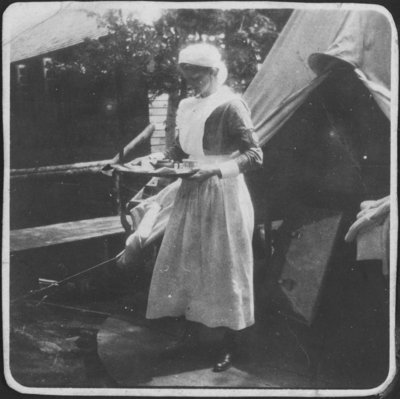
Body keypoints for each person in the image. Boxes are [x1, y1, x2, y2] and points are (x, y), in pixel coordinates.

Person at [126, 43, 263, 372]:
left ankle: (229, 346)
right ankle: (190, 337)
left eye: (197, 76)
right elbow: (181, 148)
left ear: (214, 71)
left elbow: (255, 155)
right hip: (190, 191)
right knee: (185, 262)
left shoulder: (231, 104)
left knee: (223, 266)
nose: (191, 83)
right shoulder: (188, 105)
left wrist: (215, 169)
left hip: (222, 193)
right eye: (187, 77)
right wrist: (161, 157)